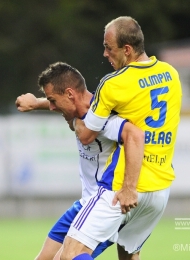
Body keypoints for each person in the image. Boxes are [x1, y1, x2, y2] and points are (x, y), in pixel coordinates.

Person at [59, 16, 182, 260]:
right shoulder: (171, 74)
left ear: (127, 49)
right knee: (128, 255)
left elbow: (86, 133)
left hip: (122, 186)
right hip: (160, 190)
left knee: (70, 254)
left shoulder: (113, 83)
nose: (105, 53)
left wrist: (66, 111)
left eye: (108, 47)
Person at [15, 62, 144, 260]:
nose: (51, 106)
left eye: (52, 100)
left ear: (69, 93)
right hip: (85, 203)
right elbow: (73, 108)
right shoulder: (79, 109)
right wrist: (36, 104)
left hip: (105, 204)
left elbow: (134, 136)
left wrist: (129, 188)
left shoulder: (104, 118)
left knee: (67, 257)